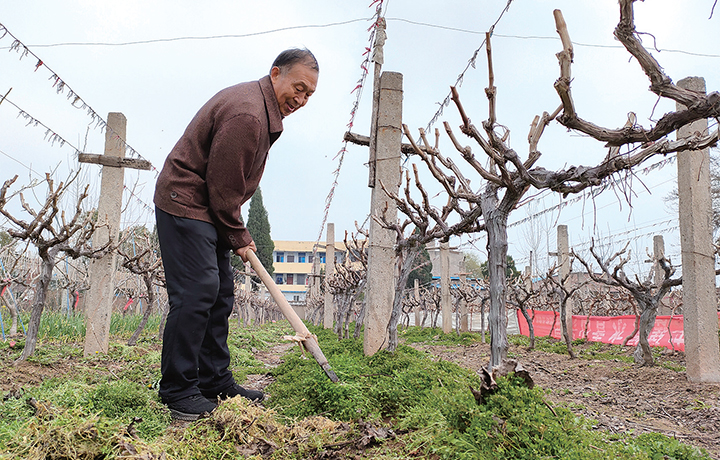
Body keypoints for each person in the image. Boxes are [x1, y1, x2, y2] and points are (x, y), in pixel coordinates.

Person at [153, 48, 319, 421]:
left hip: (206, 208)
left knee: (220, 293)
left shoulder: (260, 109)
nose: (302, 99)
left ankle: (215, 380)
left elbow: (225, 189)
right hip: (185, 201)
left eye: (309, 94)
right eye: (298, 87)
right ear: (275, 73)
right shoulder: (249, 114)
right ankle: (177, 390)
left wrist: (235, 231)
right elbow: (224, 187)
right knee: (196, 293)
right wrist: (240, 235)